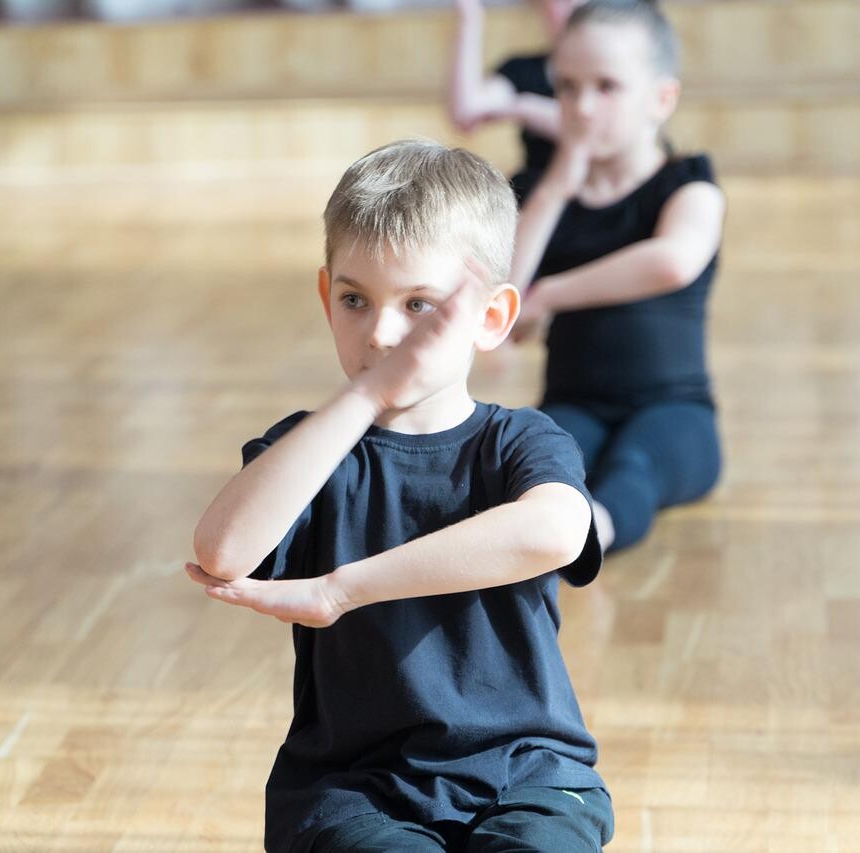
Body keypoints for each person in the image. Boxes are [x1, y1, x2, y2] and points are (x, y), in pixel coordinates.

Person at [185, 139, 614, 853]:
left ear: (491, 317)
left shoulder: (522, 442)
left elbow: (556, 531)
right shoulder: (306, 451)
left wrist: (341, 590)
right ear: (325, 298)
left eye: (419, 305)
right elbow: (222, 552)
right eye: (355, 299)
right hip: (353, 790)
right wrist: (367, 395)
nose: (382, 333)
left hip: (530, 776)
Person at [508, 0, 726, 553]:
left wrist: (552, 293)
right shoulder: (537, 197)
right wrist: (556, 187)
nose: (582, 108)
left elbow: (672, 260)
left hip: (674, 411)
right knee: (537, 466)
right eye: (567, 87)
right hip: (574, 404)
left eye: (606, 87)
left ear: (661, 99)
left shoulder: (688, 186)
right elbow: (504, 305)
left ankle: (588, 539)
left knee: (635, 465)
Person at [448, 0, 581, 198]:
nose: (573, 8)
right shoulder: (523, 69)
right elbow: (466, 112)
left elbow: (592, 132)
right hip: (535, 193)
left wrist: (524, 107)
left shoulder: (620, 70)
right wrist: (470, 18)